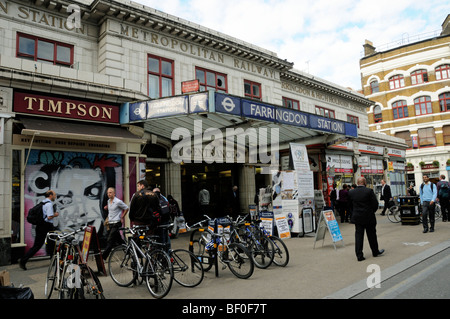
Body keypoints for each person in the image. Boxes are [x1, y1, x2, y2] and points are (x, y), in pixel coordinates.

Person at [20, 190, 60, 270]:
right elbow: (49, 217)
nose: (55, 197)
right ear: (50, 195)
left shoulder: (42, 203)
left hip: (40, 226)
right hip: (47, 226)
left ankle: (54, 262)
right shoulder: (49, 204)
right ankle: (23, 260)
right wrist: (55, 215)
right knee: (47, 244)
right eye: (54, 195)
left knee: (48, 244)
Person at [348, 177, 384, 262]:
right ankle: (375, 251)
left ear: (357, 183)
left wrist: (354, 213)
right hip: (368, 217)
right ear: (365, 183)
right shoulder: (369, 191)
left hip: (358, 218)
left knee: (359, 236)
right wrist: (372, 212)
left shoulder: (351, 192)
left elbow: (349, 205)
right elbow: (375, 204)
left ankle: (359, 255)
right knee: (372, 235)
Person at [102, 187, 128, 260]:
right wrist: (107, 207)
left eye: (110, 192)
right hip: (110, 223)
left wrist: (122, 217)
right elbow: (111, 210)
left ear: (114, 193)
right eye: (107, 193)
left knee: (110, 240)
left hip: (116, 223)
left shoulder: (118, 201)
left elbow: (126, 208)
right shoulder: (108, 201)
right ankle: (128, 250)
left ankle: (103, 257)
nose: (108, 194)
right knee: (119, 239)